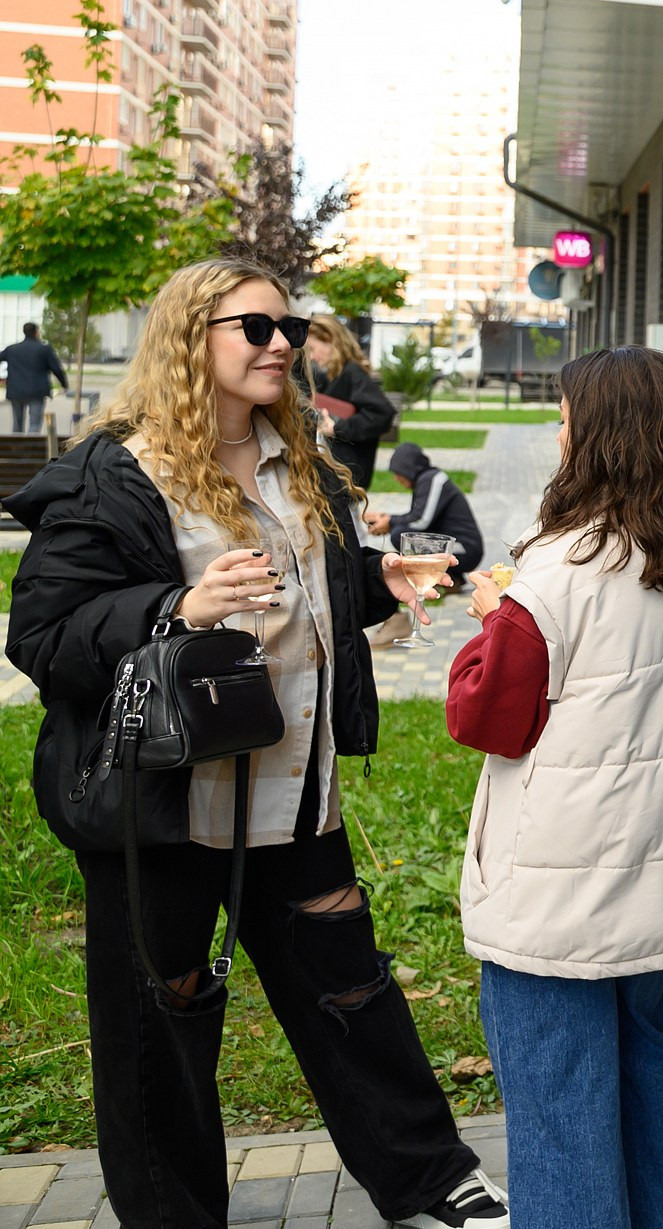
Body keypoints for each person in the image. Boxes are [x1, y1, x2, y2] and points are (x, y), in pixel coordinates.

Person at [2, 257, 501, 1229]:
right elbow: (45, 631)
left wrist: (376, 576)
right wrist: (174, 605)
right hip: (168, 807)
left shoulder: (299, 459)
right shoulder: (120, 470)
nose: (285, 344)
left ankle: (431, 1182)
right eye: (257, 328)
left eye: (290, 326)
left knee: (352, 990)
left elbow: (312, 594)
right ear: (194, 338)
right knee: (164, 1027)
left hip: (294, 790)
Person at [447, 345, 663, 1229]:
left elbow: (487, 718)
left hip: (563, 883)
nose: (556, 431)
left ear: (597, 436)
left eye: (564, 416)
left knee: (558, 1105)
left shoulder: (559, 570)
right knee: (648, 1066)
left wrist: (488, 625)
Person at [367, 441, 485, 585]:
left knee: (402, 537)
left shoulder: (433, 479)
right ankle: (451, 578)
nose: (396, 478)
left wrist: (390, 522)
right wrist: (387, 519)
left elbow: (421, 521)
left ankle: (440, 579)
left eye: (398, 473)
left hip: (466, 549)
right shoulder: (426, 479)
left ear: (408, 469)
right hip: (458, 545)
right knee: (402, 534)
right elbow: (417, 517)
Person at [302, 316, 398, 491]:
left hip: (349, 476)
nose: (313, 356)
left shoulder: (352, 373)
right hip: (341, 474)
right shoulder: (334, 375)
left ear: (330, 339)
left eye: (313, 348)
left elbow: (382, 414)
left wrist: (337, 428)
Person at [1, 320, 68, 434]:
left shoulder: (12, 349)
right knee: (35, 423)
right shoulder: (44, 349)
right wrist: (64, 384)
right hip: (37, 392)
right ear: (36, 332)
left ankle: (17, 449)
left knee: (17, 424)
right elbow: (56, 368)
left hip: (16, 391)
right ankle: (30, 449)